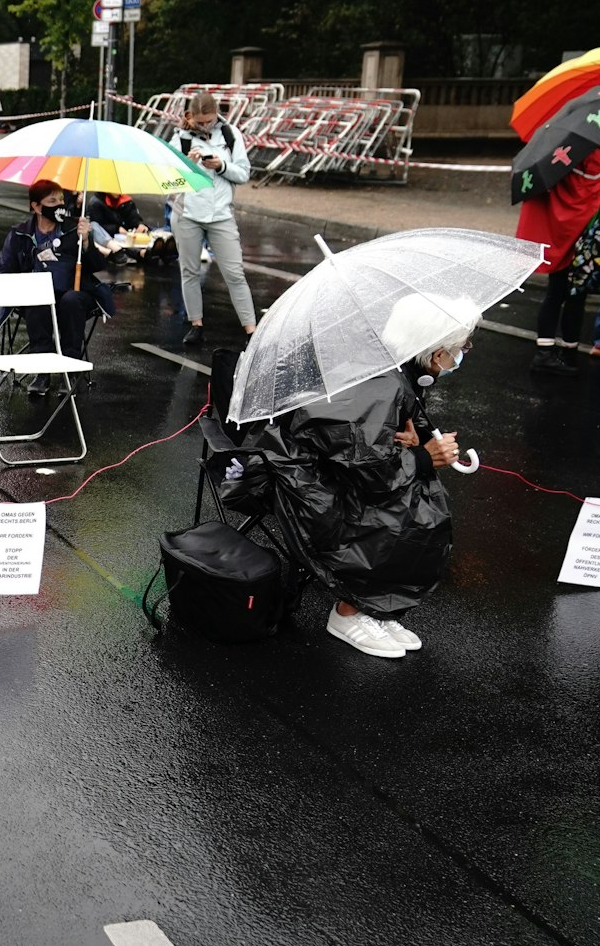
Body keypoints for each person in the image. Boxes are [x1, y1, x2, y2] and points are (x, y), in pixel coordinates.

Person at [243, 295, 476, 659]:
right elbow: (374, 476)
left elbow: (369, 447)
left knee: (420, 500)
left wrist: (414, 443)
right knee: (403, 511)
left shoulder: (394, 372)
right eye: (460, 348)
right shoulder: (383, 385)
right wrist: (424, 456)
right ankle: (348, 611)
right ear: (435, 353)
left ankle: (377, 607)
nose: (463, 354)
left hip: (324, 466)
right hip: (304, 481)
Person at [0, 180, 115, 394]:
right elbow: (2, 271)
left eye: (61, 199)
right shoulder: (20, 234)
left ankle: (70, 369)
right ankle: (42, 372)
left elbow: (98, 266)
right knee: (37, 299)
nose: (59, 205)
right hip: (37, 297)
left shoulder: (75, 229)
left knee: (70, 301)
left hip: (75, 295)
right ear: (37, 207)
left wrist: (86, 242)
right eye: (52, 201)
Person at [519, 131, 600, 375]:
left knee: (556, 293)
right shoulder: (588, 152)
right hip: (580, 238)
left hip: (557, 233)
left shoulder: (556, 149)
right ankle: (567, 353)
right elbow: (594, 192)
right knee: (575, 295)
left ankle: (546, 351)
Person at [170, 93, 255, 345]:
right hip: (187, 214)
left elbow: (244, 173)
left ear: (216, 114)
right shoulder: (180, 139)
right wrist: (188, 164)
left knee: (235, 272)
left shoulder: (230, 135)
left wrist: (221, 166)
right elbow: (169, 181)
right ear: (191, 117)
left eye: (208, 121)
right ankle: (196, 324)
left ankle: (251, 330)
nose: (204, 126)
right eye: (200, 122)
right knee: (189, 271)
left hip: (221, 215)